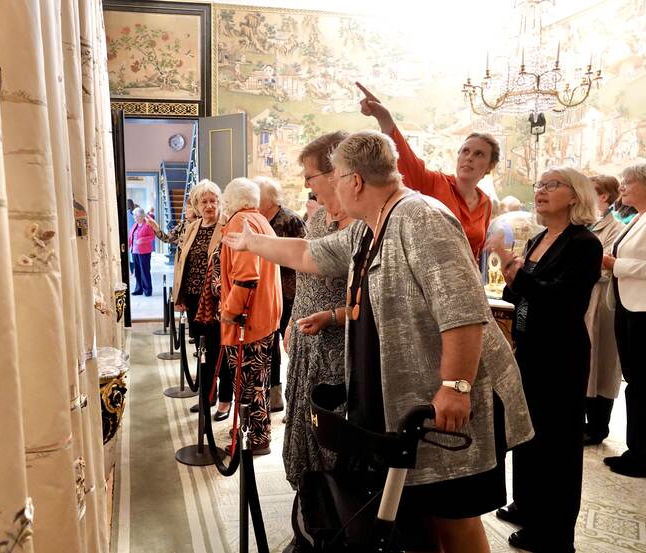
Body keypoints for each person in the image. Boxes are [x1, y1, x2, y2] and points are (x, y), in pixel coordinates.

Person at [224, 130, 533, 553]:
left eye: (334, 178)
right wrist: (252, 242)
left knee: (453, 516)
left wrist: (455, 386)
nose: (329, 189)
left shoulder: (422, 217)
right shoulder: (370, 228)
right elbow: (309, 254)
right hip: (411, 399)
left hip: (448, 399)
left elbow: (462, 310)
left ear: (354, 180)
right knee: (423, 513)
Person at [491, 167, 602, 552]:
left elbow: (561, 301)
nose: (541, 190)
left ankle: (553, 532)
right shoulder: (540, 237)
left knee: (557, 448)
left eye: (552, 185)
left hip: (561, 357)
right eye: (539, 184)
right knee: (527, 433)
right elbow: (521, 293)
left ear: (575, 196)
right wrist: (510, 276)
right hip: (530, 350)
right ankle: (527, 505)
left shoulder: (584, 243)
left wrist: (514, 271)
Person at [356, 82, 498, 260]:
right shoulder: (435, 183)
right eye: (465, 151)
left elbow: (475, 254)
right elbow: (406, 159)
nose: (469, 157)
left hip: (466, 276)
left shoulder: (485, 203)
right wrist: (384, 117)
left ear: (490, 165)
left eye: (479, 154)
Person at [282, 131, 351, 492]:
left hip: (337, 350)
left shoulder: (362, 222)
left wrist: (332, 316)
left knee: (331, 438)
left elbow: (374, 299)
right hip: (307, 339)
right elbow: (305, 276)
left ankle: (331, 507)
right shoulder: (321, 217)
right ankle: (310, 504)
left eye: (310, 175)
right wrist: (292, 320)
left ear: (335, 172)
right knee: (302, 428)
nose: (306, 184)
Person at [219, 178, 282, 455]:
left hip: (248, 320)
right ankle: (257, 433)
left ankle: (254, 438)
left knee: (248, 385)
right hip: (265, 315)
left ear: (231, 200)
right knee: (259, 381)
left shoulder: (239, 222)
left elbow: (246, 277)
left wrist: (230, 311)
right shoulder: (261, 221)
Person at [602, 161, 646, 478]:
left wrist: (615, 265)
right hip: (628, 305)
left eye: (629, 182)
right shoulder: (638, 217)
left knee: (645, 384)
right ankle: (638, 449)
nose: (622, 187)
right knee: (637, 382)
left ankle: (645, 456)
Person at [169, 180, 232, 420]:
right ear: (196, 205)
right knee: (202, 351)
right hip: (194, 300)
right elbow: (181, 263)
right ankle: (207, 396)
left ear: (219, 202)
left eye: (213, 200)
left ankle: (225, 400)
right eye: (204, 201)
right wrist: (180, 296)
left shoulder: (226, 226)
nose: (209, 205)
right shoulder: (193, 226)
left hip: (217, 301)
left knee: (220, 350)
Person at [254, 175, 306, 414]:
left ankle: (293, 402)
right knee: (270, 345)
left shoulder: (290, 220)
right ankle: (274, 396)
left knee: (291, 346)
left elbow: (305, 255)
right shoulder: (259, 221)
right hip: (267, 293)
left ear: (269, 199)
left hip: (290, 294)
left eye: (258, 196)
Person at [583, 175, 625, 445]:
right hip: (583, 302)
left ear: (604, 197)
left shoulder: (617, 228)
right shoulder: (582, 223)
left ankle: (598, 427)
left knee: (602, 365)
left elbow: (606, 265)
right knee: (584, 364)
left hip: (602, 303)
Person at [128, 207, 155, 296]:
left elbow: (152, 236)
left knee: (145, 271)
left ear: (141, 216)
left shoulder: (147, 225)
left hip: (144, 252)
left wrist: (142, 240)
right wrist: (129, 246)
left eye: (136, 216)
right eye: (134, 216)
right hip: (134, 251)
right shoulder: (135, 225)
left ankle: (147, 290)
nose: (134, 217)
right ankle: (139, 289)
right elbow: (131, 236)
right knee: (137, 271)